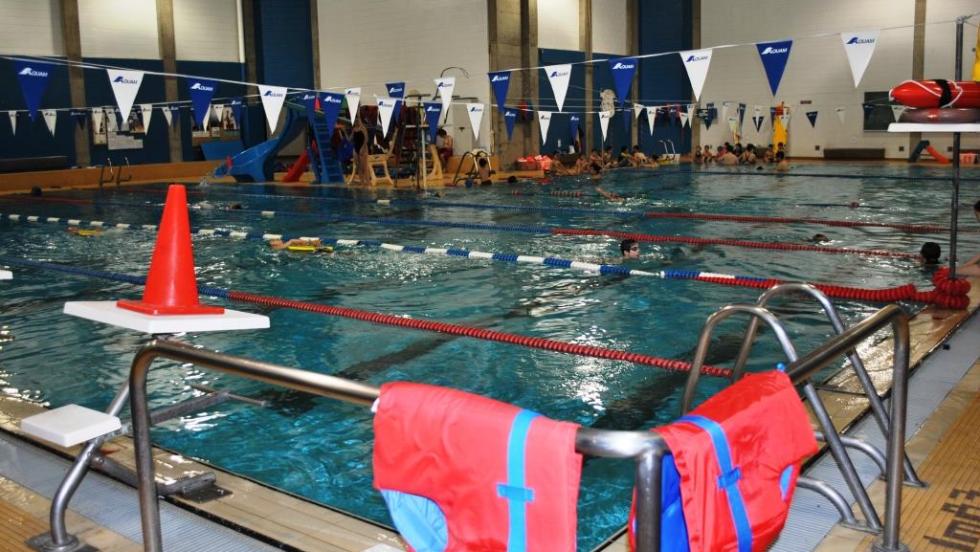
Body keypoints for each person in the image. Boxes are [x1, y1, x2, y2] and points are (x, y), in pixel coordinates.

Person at [269, 238, 333, 253]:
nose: (280, 240)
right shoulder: (275, 248)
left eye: (277, 239)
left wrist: (311, 243)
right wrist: (310, 242)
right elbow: (292, 241)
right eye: (275, 240)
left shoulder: (287, 245)